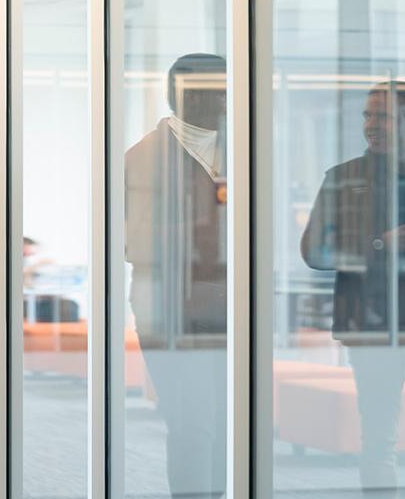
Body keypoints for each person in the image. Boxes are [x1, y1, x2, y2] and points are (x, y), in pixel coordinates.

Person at [302, 81, 405, 495]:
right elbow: (314, 251)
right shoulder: (344, 177)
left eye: (382, 116)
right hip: (372, 322)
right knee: (380, 437)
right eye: (367, 115)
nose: (371, 125)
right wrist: (381, 242)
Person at [125, 53, 228, 498]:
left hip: (233, 305)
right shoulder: (143, 158)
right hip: (169, 305)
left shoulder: (242, 148)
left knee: (229, 421)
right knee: (191, 423)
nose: (226, 99)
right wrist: (202, 226)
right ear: (181, 95)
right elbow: (132, 242)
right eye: (217, 90)